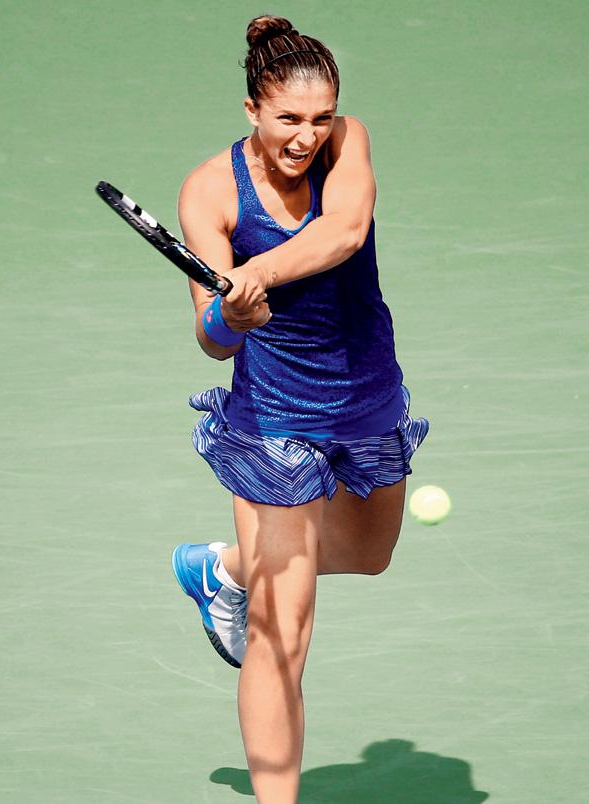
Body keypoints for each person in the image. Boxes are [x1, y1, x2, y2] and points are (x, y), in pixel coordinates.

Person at [171, 15, 428, 804]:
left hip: (368, 397)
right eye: (288, 118)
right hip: (277, 423)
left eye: (319, 118)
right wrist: (231, 316)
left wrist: (259, 276)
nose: (307, 136)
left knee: (371, 553)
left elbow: (345, 232)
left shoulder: (350, 141)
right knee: (283, 634)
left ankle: (223, 569)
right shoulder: (210, 191)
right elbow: (211, 338)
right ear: (252, 110)